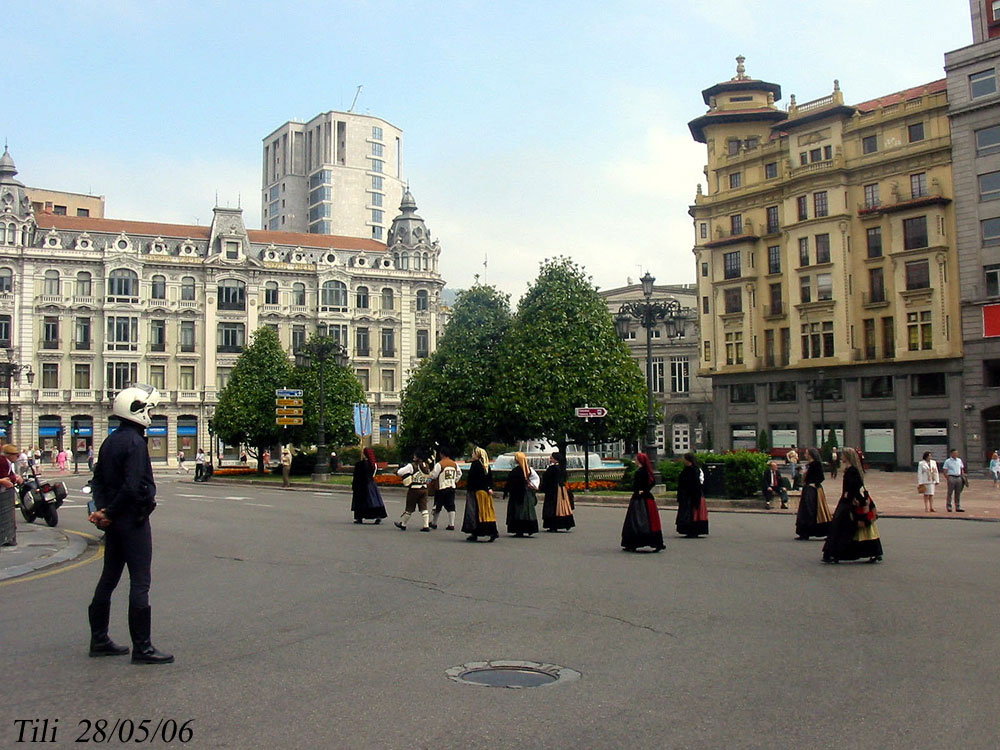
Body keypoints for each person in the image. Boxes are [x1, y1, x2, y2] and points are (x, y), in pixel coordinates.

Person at [87, 384, 173, 664]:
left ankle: (99, 639)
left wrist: (102, 510)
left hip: (114, 522)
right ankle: (143, 647)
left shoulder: (110, 440)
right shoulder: (136, 443)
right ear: (139, 411)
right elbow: (133, 485)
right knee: (140, 583)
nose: (151, 412)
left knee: (108, 579)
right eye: (149, 408)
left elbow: (97, 479)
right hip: (132, 520)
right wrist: (111, 511)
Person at [822, 447, 883, 564]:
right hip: (850, 500)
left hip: (850, 501)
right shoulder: (852, 470)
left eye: (843, 455)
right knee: (858, 528)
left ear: (847, 456)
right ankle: (872, 552)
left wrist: (848, 497)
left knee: (842, 526)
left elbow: (852, 487)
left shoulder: (852, 471)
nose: (841, 456)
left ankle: (835, 553)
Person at [621, 452, 665, 552]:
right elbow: (652, 482)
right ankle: (656, 542)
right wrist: (646, 490)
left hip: (639, 499)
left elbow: (636, 485)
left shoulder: (640, 472)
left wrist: (641, 490)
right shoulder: (648, 471)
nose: (635, 460)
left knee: (637, 520)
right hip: (648, 498)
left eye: (636, 459)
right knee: (651, 520)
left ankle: (633, 543)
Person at [462, 446, 498, 542]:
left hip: (477, 492)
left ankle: (476, 532)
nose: (472, 455)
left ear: (477, 454)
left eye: (473, 453)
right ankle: (492, 532)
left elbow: (473, 479)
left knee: (476, 513)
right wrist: (489, 488)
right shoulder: (486, 465)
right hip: (486, 493)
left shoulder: (475, 465)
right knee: (488, 513)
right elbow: (490, 479)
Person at [795, 447, 832, 539]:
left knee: (814, 510)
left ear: (811, 454)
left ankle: (823, 531)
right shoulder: (808, 465)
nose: (805, 455)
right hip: (807, 488)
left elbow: (820, 477)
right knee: (805, 511)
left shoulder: (816, 464)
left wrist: (814, 483)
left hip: (813, 489)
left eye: (806, 453)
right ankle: (804, 533)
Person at [394, 450, 433, 531]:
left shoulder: (412, 466)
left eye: (415, 456)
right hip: (424, 488)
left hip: (414, 489)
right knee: (424, 507)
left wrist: (396, 471)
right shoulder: (426, 465)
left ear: (417, 457)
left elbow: (400, 472)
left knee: (409, 507)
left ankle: (403, 524)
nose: (413, 457)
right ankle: (426, 525)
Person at [504, 451, 540, 537]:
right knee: (528, 511)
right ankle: (529, 529)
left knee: (518, 512)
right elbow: (535, 479)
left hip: (518, 494)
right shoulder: (528, 469)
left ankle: (519, 530)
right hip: (527, 493)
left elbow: (511, 483)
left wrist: (507, 491)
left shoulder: (516, 470)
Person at [676, 452, 709, 537]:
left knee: (692, 513)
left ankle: (693, 530)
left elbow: (696, 484)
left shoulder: (694, 470)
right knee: (688, 512)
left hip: (692, 495)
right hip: (687, 495)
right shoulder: (688, 469)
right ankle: (689, 530)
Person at [429, 446, 462, 530]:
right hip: (451, 487)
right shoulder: (454, 464)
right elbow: (459, 474)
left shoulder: (439, 464)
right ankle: (451, 524)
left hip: (441, 487)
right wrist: (454, 481)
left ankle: (434, 523)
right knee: (451, 505)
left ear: (441, 454)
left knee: (437, 505)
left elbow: (434, 475)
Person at [540, 452, 575, 532]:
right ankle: (566, 524)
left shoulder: (552, 468)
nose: (550, 459)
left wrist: (543, 487)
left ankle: (553, 526)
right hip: (561, 489)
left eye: (551, 458)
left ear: (555, 460)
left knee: (553, 507)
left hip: (553, 490)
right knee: (562, 507)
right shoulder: (562, 468)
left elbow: (547, 479)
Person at [351, 447, 386, 524]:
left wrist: (354, 485)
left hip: (362, 484)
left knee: (361, 501)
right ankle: (378, 516)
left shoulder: (360, 464)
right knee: (374, 500)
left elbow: (357, 476)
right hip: (371, 483)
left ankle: (359, 517)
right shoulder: (374, 464)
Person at [0, 443, 22, 547]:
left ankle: (9, 536)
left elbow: (10, 475)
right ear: (10, 455)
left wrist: (15, 477)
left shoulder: (7, 462)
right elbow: (6, 476)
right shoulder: (2, 461)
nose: (17, 457)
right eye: (16, 455)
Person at [942, 448, 966, 512]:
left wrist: (962, 476)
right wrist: (947, 478)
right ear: (951, 454)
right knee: (950, 492)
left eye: (957, 453)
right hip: (951, 477)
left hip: (958, 477)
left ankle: (957, 506)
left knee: (958, 493)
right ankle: (949, 506)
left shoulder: (959, 460)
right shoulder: (948, 461)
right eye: (954, 453)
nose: (956, 454)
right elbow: (945, 470)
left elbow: (961, 469)